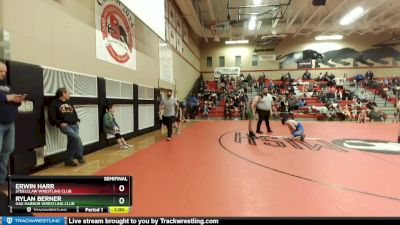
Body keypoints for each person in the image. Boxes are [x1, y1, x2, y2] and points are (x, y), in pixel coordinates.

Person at [0, 62, 25, 183]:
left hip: (10, 123)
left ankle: (1, 181)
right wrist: (6, 98)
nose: (3, 74)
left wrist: (18, 100)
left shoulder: (7, 86)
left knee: (6, 152)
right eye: (1, 71)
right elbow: (6, 98)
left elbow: (11, 99)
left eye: (4, 71)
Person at [48, 88, 85, 167]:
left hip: (75, 125)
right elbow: (51, 116)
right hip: (66, 126)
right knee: (77, 138)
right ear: (63, 94)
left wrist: (77, 120)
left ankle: (68, 160)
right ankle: (79, 155)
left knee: (71, 143)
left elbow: (74, 113)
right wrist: (59, 123)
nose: (70, 94)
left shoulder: (69, 102)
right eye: (68, 93)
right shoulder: (54, 103)